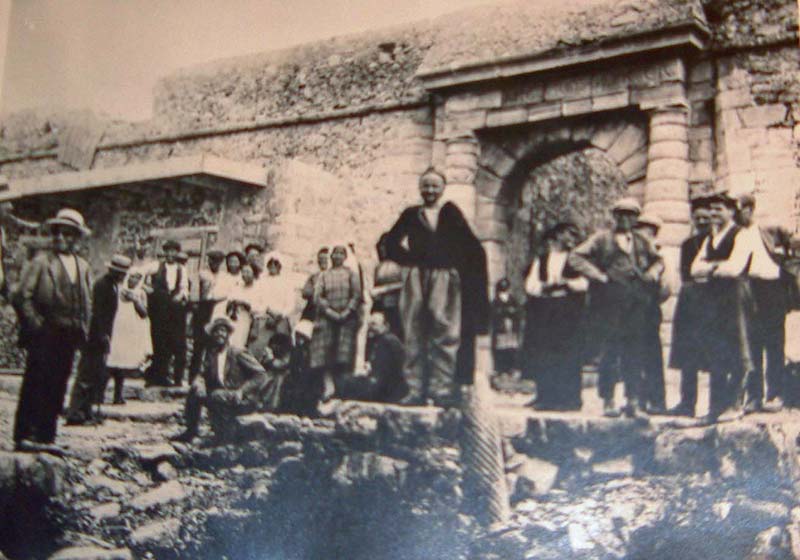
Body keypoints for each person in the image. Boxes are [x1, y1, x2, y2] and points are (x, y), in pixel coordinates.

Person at [382, 167, 489, 406]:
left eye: (435, 186)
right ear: (420, 188)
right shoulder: (411, 214)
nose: (430, 190)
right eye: (426, 186)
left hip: (444, 278)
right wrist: (408, 259)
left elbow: (471, 247)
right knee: (414, 330)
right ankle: (415, 389)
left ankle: (441, 389)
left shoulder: (451, 213)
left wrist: (456, 266)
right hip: (416, 277)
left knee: (445, 331)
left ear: (442, 189)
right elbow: (390, 242)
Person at [568, 198, 663, 417]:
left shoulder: (642, 240)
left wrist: (652, 272)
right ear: (614, 216)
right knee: (609, 351)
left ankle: (633, 401)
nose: (625, 218)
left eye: (630, 214)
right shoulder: (601, 238)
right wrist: (598, 275)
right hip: (608, 302)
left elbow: (658, 261)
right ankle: (608, 400)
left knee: (634, 351)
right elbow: (575, 257)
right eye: (621, 214)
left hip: (636, 302)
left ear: (636, 218)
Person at [12, 208, 93, 453]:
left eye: (67, 234)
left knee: (58, 384)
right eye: (57, 233)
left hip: (69, 334)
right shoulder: (41, 262)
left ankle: (46, 436)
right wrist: (36, 325)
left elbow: (87, 301)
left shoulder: (82, 266)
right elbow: (21, 296)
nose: (60, 238)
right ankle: (25, 435)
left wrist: (84, 329)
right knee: (36, 381)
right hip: (45, 332)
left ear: (76, 238)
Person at [689, 190, 757, 422]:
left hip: (736, 296)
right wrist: (716, 267)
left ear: (731, 212)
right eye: (711, 209)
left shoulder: (742, 235)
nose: (713, 213)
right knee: (716, 349)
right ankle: (715, 408)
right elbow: (694, 269)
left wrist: (709, 267)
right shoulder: (710, 238)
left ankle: (735, 404)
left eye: (719, 209)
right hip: (714, 298)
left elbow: (734, 268)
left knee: (738, 347)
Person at [522, 222, 588, 411]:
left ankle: (570, 399)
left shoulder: (576, 259)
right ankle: (545, 396)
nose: (572, 238)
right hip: (546, 309)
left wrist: (567, 283)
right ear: (558, 235)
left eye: (574, 235)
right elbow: (530, 285)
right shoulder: (541, 260)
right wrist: (544, 286)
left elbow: (585, 283)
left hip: (568, 311)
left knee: (568, 352)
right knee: (545, 352)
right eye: (569, 234)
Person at [172, 316, 270, 443]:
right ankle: (191, 431)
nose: (219, 334)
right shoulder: (211, 354)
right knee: (194, 392)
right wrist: (199, 384)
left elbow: (261, 374)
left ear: (228, 334)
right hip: (220, 394)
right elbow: (201, 374)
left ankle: (224, 435)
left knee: (216, 396)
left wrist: (242, 391)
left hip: (241, 397)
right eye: (216, 331)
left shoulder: (238, 353)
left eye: (223, 331)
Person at [66, 255, 132, 424]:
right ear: (114, 271)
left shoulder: (113, 286)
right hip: (95, 337)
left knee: (96, 375)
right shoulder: (103, 285)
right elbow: (99, 313)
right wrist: (103, 335)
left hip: (103, 335)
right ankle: (75, 413)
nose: (123, 276)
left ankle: (87, 412)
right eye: (121, 273)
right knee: (86, 375)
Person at [737, 194, 789, 412]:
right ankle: (754, 396)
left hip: (772, 288)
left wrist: (786, 263)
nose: (736, 215)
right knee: (752, 343)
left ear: (749, 209)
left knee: (774, 342)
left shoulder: (770, 229)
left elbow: (792, 247)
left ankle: (775, 394)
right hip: (749, 289)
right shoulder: (738, 235)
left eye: (739, 210)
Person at [668, 199, 712, 416]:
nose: (702, 222)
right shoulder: (688, 244)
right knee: (688, 353)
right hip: (692, 302)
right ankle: (687, 403)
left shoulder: (717, 242)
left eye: (706, 218)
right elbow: (686, 274)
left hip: (714, 303)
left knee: (716, 352)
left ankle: (717, 405)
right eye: (698, 218)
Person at [309, 245, 362, 399]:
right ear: (330, 256)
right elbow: (318, 297)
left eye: (341, 253)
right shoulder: (324, 275)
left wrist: (346, 312)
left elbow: (356, 295)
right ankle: (328, 387)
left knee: (343, 355)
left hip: (347, 320)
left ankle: (343, 389)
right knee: (326, 356)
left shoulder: (351, 274)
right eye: (335, 253)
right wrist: (330, 312)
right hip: (327, 319)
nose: (337, 256)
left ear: (345, 257)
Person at [633, 213, 670, 414]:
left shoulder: (658, 257)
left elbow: (666, 289)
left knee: (651, 356)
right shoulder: (630, 254)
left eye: (648, 232)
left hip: (649, 310)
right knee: (633, 355)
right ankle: (637, 400)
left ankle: (656, 401)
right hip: (630, 310)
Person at [104, 269, 151, 405]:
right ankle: (99, 394)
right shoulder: (117, 289)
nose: (134, 280)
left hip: (129, 331)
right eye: (132, 277)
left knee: (122, 365)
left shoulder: (140, 293)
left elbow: (144, 314)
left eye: (138, 278)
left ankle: (118, 395)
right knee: (110, 361)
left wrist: (135, 301)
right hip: (116, 329)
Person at [147, 239, 189, 387]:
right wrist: (149, 290)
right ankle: (158, 377)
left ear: (177, 253)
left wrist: (180, 296)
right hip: (159, 309)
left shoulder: (181, 269)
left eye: (173, 251)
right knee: (159, 342)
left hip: (175, 311)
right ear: (164, 252)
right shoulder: (155, 266)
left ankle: (176, 378)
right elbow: (140, 276)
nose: (171, 254)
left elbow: (184, 288)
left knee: (177, 343)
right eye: (168, 251)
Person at [248, 252, 294, 363]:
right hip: (264, 319)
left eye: (276, 264)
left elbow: (290, 304)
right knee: (258, 351)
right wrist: (267, 311)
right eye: (270, 264)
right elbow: (255, 301)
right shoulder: (261, 282)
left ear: (280, 266)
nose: (273, 266)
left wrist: (280, 315)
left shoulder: (287, 283)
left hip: (281, 320)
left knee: (280, 351)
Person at [189, 249, 227, 383]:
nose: (214, 263)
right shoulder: (202, 274)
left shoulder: (224, 276)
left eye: (217, 261)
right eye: (212, 260)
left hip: (218, 309)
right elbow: (194, 294)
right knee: (199, 345)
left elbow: (226, 293)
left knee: (214, 345)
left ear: (221, 262)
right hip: (203, 309)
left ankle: (211, 377)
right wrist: (196, 309)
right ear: (209, 261)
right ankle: (193, 377)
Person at [279, 319, 322, 416]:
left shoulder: (311, 352)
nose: (300, 340)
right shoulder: (295, 350)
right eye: (298, 336)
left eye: (303, 337)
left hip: (308, 383)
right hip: (295, 380)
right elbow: (289, 364)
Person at [372, 235, 404, 339]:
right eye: (381, 246)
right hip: (383, 306)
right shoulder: (379, 267)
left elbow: (406, 284)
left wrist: (385, 289)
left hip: (399, 305)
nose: (382, 249)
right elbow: (376, 287)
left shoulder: (402, 264)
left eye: (385, 246)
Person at [491, 278, 521, 377]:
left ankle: (511, 368)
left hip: (511, 328)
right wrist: (504, 312)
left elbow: (518, 311)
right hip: (501, 328)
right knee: (500, 348)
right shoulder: (496, 301)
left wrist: (512, 312)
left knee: (511, 348)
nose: (504, 293)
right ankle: (500, 368)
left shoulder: (512, 300)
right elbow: (494, 313)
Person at [301, 247, 329, 321]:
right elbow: (305, 293)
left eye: (325, 259)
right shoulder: (314, 276)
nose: (322, 261)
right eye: (320, 259)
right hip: (311, 311)